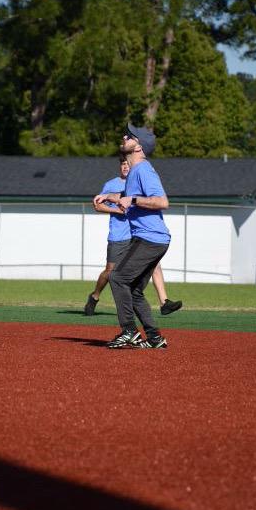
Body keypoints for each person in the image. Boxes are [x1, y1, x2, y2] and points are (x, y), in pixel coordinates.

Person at [93, 124, 172, 349]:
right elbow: (128, 196)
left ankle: (129, 331)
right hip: (151, 238)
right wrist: (108, 196)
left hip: (150, 238)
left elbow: (162, 202)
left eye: (130, 135)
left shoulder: (143, 170)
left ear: (139, 146)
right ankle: (155, 338)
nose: (124, 136)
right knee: (134, 290)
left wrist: (134, 201)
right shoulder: (135, 171)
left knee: (117, 278)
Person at [84, 156, 182, 316]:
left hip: (137, 234)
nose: (125, 167)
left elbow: (151, 200)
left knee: (155, 265)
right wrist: (118, 210)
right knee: (110, 271)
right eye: (122, 164)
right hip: (118, 235)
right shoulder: (111, 184)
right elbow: (98, 205)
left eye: (127, 164)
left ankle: (164, 302)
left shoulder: (137, 182)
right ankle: (95, 296)